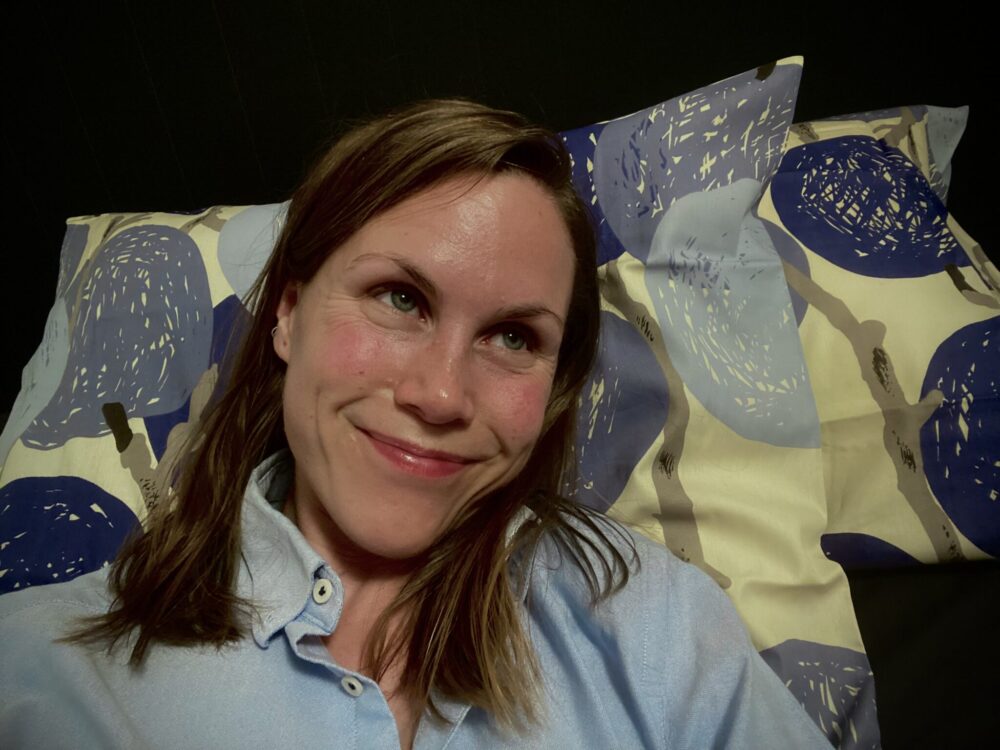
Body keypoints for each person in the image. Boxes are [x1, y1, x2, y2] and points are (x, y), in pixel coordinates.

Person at [0, 100, 829, 749]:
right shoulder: (39, 671)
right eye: (400, 298)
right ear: (288, 313)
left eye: (514, 337)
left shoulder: (658, 627)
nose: (440, 394)